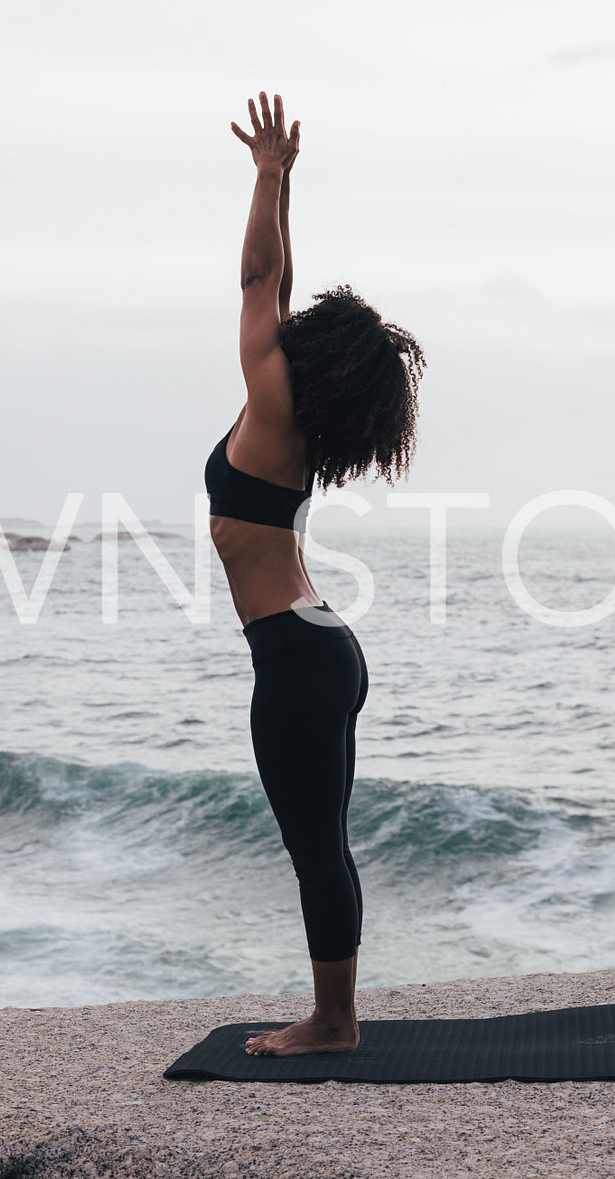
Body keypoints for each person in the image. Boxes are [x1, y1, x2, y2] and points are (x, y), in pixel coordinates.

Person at [206, 91, 425, 1056]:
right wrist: (284, 181)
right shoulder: (296, 421)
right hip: (321, 641)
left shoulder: (273, 401)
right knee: (322, 841)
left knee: (313, 847)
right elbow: (275, 286)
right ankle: (334, 1014)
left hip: (295, 656)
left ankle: (333, 1023)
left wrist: (263, 179)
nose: (282, 325)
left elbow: (259, 279)